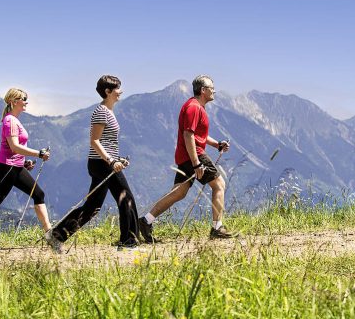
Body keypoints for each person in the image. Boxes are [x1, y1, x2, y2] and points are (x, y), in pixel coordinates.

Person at [45, 75, 140, 253]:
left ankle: (57, 235)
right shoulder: (101, 111)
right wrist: (111, 160)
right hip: (103, 164)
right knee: (126, 199)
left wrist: (117, 159)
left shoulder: (109, 112)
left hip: (103, 163)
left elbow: (107, 142)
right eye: (118, 88)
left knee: (92, 207)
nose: (121, 91)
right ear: (108, 91)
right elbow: (95, 141)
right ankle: (129, 242)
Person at [138, 74, 236, 242]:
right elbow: (188, 135)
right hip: (194, 155)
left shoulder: (195, 106)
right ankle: (217, 227)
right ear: (203, 90)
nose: (214, 91)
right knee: (219, 184)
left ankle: (146, 220)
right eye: (212, 88)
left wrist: (217, 145)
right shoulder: (194, 107)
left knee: (179, 192)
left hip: (186, 156)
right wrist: (197, 163)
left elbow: (199, 135)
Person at [0, 88, 52, 251]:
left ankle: (50, 234)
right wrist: (38, 153)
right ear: (14, 101)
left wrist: (24, 163)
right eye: (24, 98)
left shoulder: (15, 120)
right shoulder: (10, 120)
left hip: (16, 167)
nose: (26, 102)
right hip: (5, 168)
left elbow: (16, 150)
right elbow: (14, 147)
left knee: (38, 194)